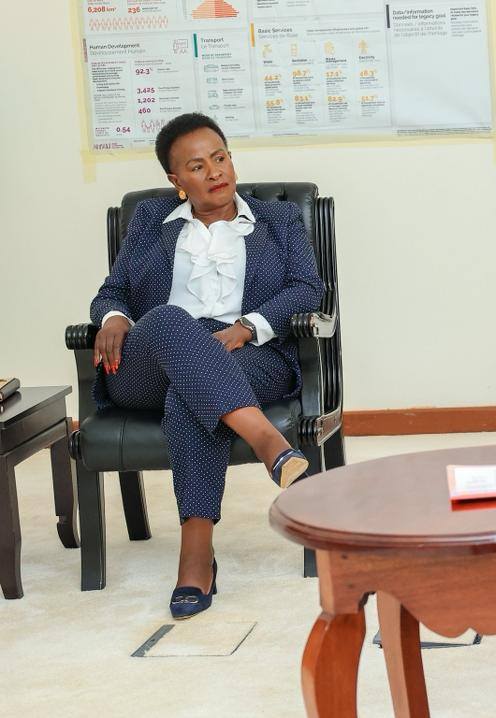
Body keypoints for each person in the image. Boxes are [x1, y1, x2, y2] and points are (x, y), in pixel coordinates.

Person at [89, 112, 323, 619]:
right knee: (174, 322)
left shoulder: (277, 221)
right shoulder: (151, 222)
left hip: (248, 356)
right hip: (150, 359)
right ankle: (268, 441)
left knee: (189, 392)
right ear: (176, 181)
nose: (216, 172)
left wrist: (246, 327)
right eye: (197, 166)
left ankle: (196, 555)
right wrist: (111, 317)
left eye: (221, 158)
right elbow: (114, 291)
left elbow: (308, 288)